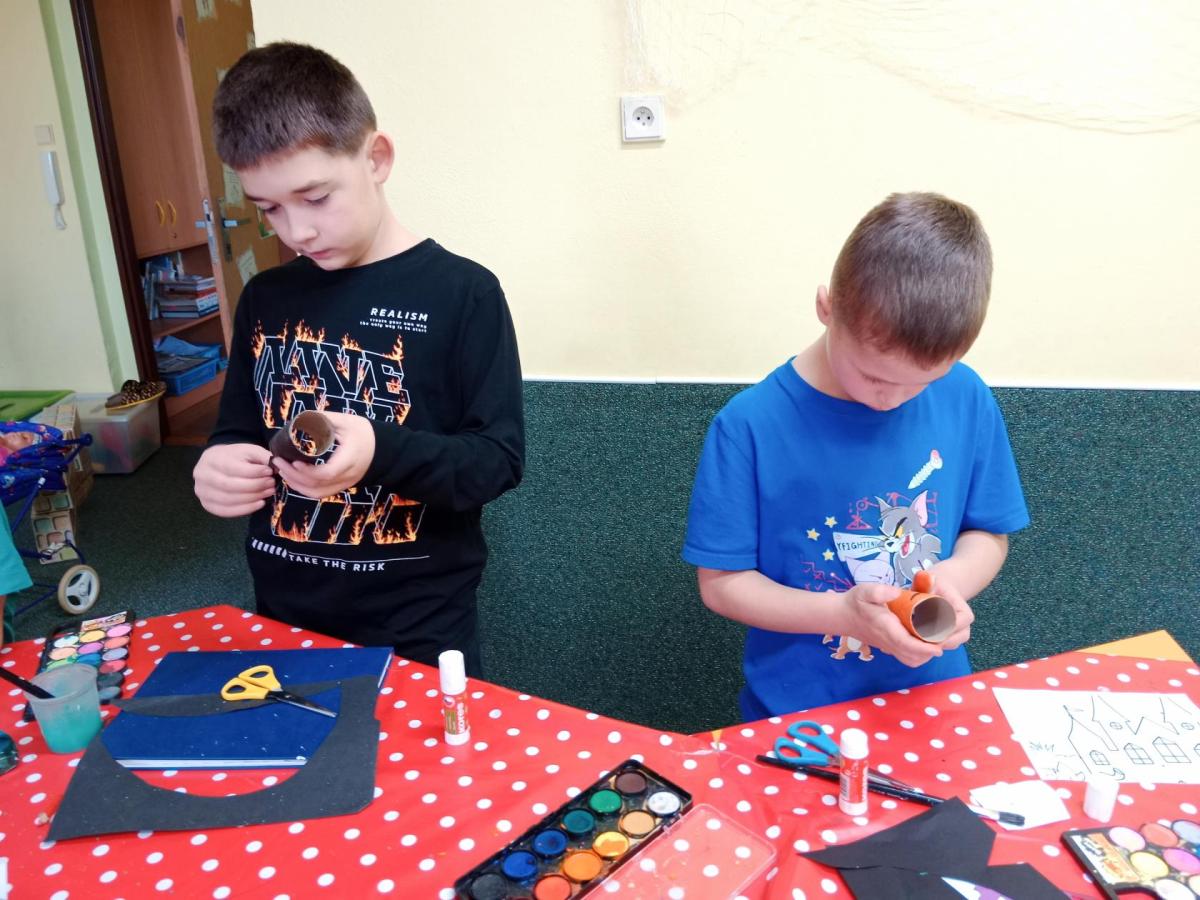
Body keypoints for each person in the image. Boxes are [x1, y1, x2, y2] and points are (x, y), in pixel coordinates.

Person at [193, 43, 524, 675]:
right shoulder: (265, 296)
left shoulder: (464, 293)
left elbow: (496, 462)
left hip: (419, 627)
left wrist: (378, 450)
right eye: (269, 209)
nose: (296, 232)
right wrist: (218, 465)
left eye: (316, 197)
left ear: (376, 159)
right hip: (284, 613)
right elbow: (238, 429)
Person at [682, 192, 1029, 719]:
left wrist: (947, 585)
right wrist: (842, 614)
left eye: (922, 382)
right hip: (798, 713)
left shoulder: (965, 396)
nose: (892, 398)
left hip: (933, 698)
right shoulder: (749, 425)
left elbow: (988, 533)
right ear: (827, 307)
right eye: (872, 375)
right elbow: (723, 586)